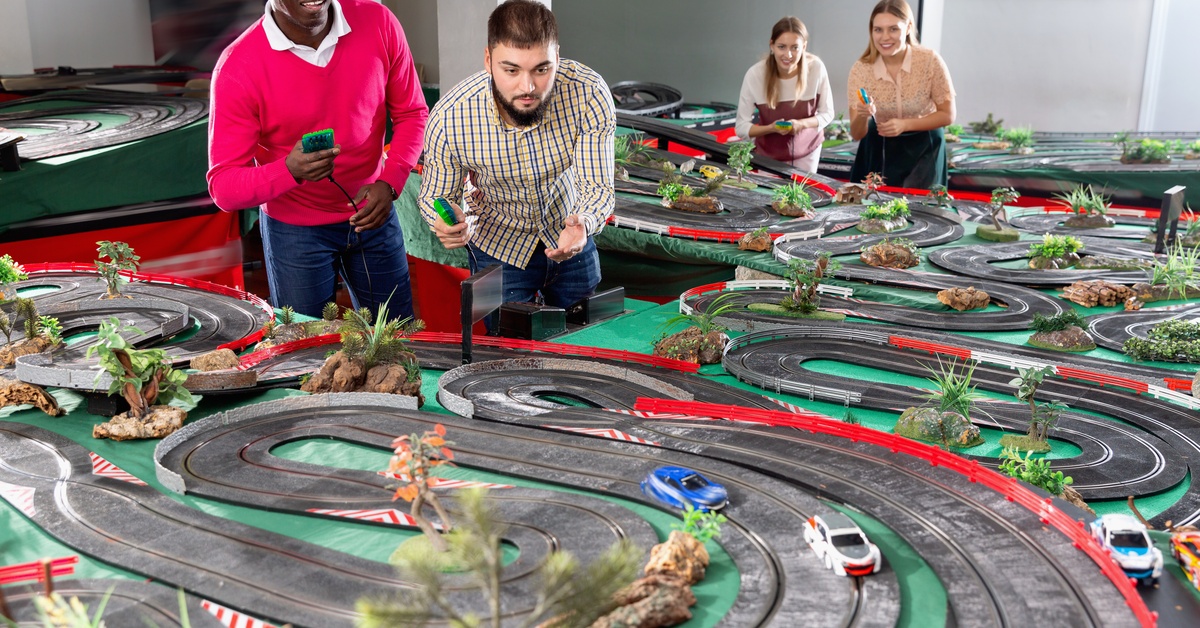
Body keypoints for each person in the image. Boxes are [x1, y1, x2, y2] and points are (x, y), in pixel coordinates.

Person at [207, 0, 427, 320]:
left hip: (373, 214)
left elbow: (412, 113)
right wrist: (288, 171)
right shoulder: (237, 65)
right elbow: (223, 187)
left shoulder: (379, 21)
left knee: (400, 338)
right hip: (294, 231)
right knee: (308, 351)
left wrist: (390, 181)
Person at [418, 0, 615, 311]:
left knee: (587, 342)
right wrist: (444, 222)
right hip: (495, 247)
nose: (528, 86)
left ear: (557, 58)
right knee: (505, 351)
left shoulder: (589, 93)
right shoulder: (450, 118)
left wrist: (584, 224)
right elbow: (434, 195)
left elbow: (598, 188)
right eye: (511, 70)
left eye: (542, 69)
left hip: (570, 237)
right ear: (488, 60)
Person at [847, 0, 956, 189]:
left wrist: (905, 124)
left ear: (908, 28)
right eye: (878, 30)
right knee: (874, 212)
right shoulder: (860, 69)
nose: (884, 37)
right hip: (878, 144)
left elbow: (948, 114)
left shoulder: (930, 61)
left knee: (921, 212)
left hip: (925, 146)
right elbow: (857, 134)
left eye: (893, 29)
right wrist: (862, 115)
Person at [735, 16, 834, 174]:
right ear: (772, 45)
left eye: (795, 47)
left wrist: (801, 124)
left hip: (808, 150)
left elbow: (827, 114)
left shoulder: (816, 68)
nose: (788, 55)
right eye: (782, 47)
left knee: (804, 196)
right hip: (768, 154)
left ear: (804, 47)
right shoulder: (755, 75)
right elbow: (741, 127)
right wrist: (770, 128)